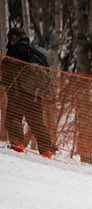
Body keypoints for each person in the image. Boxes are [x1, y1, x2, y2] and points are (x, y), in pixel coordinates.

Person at [1, 27, 55, 157]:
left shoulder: (16, 50)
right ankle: (46, 150)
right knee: (36, 121)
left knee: (13, 117)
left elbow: (7, 68)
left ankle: (17, 144)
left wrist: (5, 84)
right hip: (36, 94)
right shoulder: (35, 53)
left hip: (19, 92)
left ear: (14, 37)